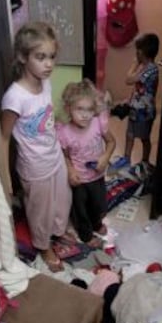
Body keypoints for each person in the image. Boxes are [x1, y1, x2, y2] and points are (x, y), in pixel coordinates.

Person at [0, 21, 72, 272]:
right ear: (23, 56)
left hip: (54, 158)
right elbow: (3, 138)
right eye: (41, 57)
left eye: (51, 57)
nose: (49, 64)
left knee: (62, 201)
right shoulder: (14, 97)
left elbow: (47, 120)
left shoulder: (46, 83)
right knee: (40, 211)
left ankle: (58, 232)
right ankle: (43, 245)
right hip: (34, 167)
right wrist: (7, 179)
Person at [57, 79, 116, 246]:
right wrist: (70, 170)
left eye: (89, 109)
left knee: (98, 205)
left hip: (97, 176)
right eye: (79, 109)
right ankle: (86, 235)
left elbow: (111, 142)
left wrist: (105, 157)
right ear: (69, 109)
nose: (85, 115)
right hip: (79, 181)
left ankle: (96, 224)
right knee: (80, 210)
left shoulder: (98, 124)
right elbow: (65, 155)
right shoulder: (65, 133)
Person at [110, 33, 160, 171]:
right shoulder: (143, 67)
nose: (135, 53)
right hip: (135, 108)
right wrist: (130, 100)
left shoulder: (151, 69)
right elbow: (138, 88)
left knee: (144, 137)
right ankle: (126, 159)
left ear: (141, 52)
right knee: (129, 134)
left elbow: (128, 80)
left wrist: (133, 64)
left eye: (137, 50)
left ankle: (145, 162)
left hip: (145, 111)